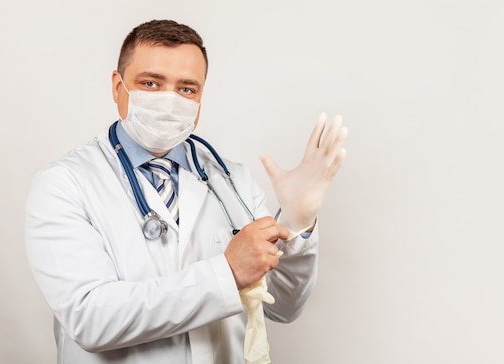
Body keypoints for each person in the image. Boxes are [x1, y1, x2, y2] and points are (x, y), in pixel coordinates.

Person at [25, 19, 347, 364]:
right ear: (118, 87)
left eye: (186, 89)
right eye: (151, 83)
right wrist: (226, 273)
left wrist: (299, 222)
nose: (168, 102)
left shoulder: (232, 181)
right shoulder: (64, 184)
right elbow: (89, 319)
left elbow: (282, 306)